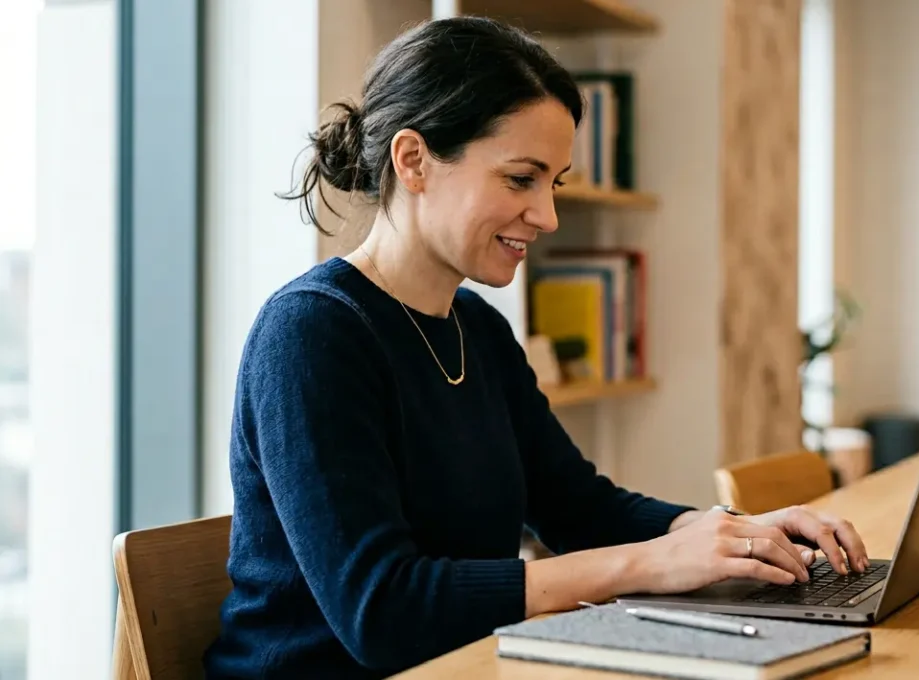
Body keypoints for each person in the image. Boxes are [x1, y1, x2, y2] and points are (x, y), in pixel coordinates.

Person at [202, 17, 868, 680]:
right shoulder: (312, 334)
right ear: (414, 162)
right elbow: (383, 613)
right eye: (521, 179)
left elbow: (579, 508)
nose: (546, 216)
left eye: (554, 183)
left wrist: (727, 534)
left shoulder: (477, 328)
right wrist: (651, 563)